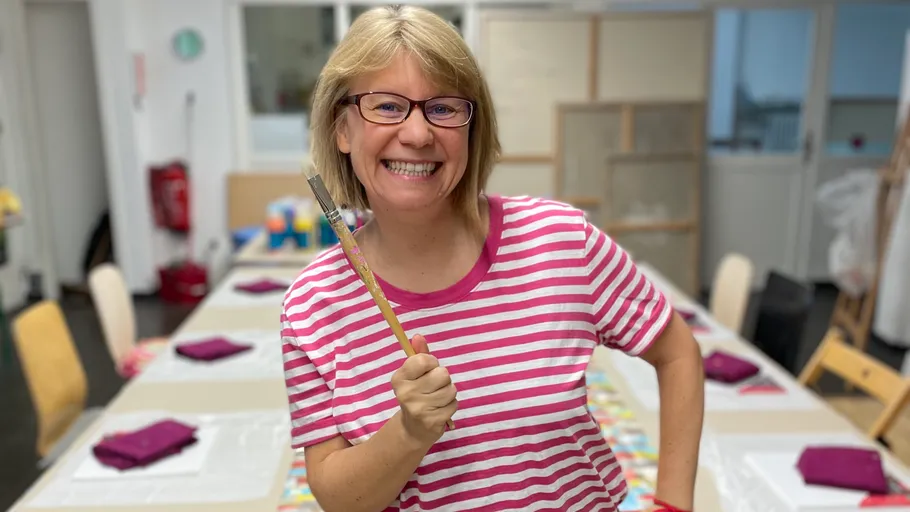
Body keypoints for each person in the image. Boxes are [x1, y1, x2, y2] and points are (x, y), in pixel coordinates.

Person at [280, 5, 705, 512]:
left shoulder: (561, 241)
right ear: (342, 130)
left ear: (470, 128)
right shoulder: (312, 305)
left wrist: (675, 504)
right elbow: (338, 499)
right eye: (387, 106)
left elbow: (677, 353)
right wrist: (409, 432)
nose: (417, 134)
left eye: (443, 108)